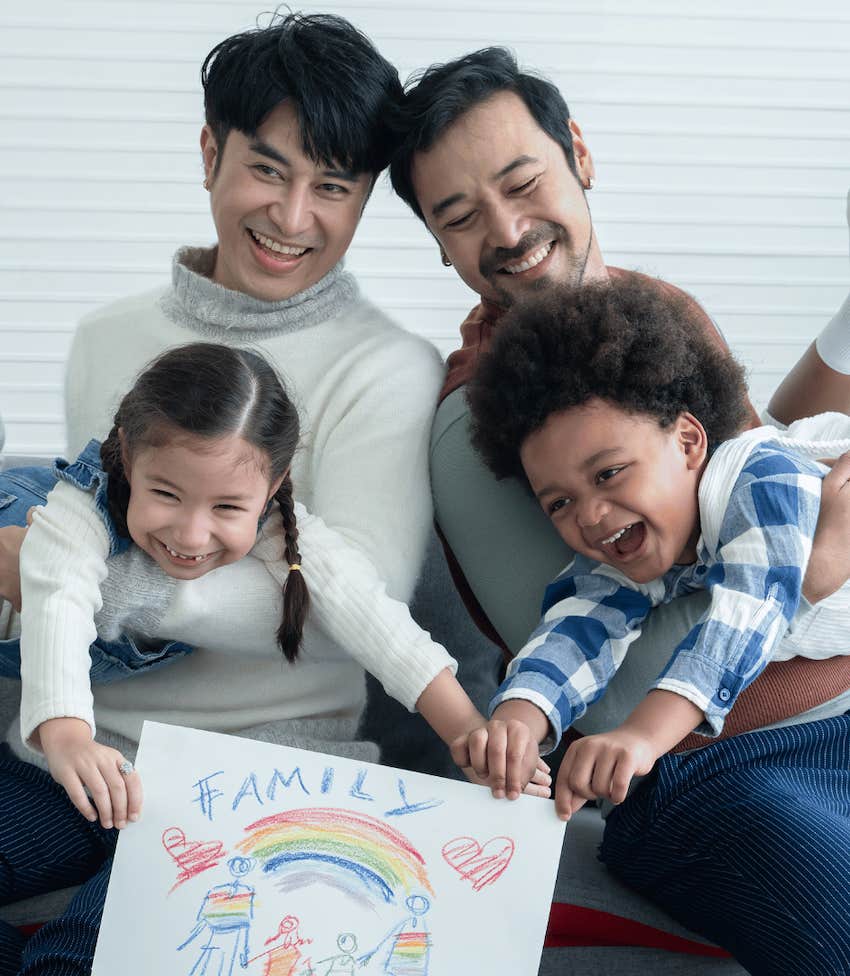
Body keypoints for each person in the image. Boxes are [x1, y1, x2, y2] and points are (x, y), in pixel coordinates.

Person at [389, 42, 850, 771]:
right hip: (737, 760)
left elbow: (755, 473)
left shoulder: (658, 310)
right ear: (440, 244)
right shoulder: (474, 421)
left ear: (579, 153)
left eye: (522, 184)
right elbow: (609, 695)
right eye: (461, 218)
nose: (508, 232)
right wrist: (812, 570)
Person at [0, 341, 525, 976]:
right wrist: (66, 736)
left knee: (80, 959)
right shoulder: (79, 506)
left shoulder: (290, 535)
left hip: (220, 800)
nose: (190, 535)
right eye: (165, 494)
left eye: (226, 508)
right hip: (73, 774)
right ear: (128, 457)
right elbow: (57, 596)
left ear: (272, 486)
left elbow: (382, 626)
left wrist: (468, 730)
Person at [459, 279, 850, 813]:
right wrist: (517, 720)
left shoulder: (764, 479)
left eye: (609, 473)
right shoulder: (635, 542)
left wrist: (641, 736)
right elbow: (578, 625)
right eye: (559, 504)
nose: (590, 515)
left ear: (688, 441)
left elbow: (747, 613)